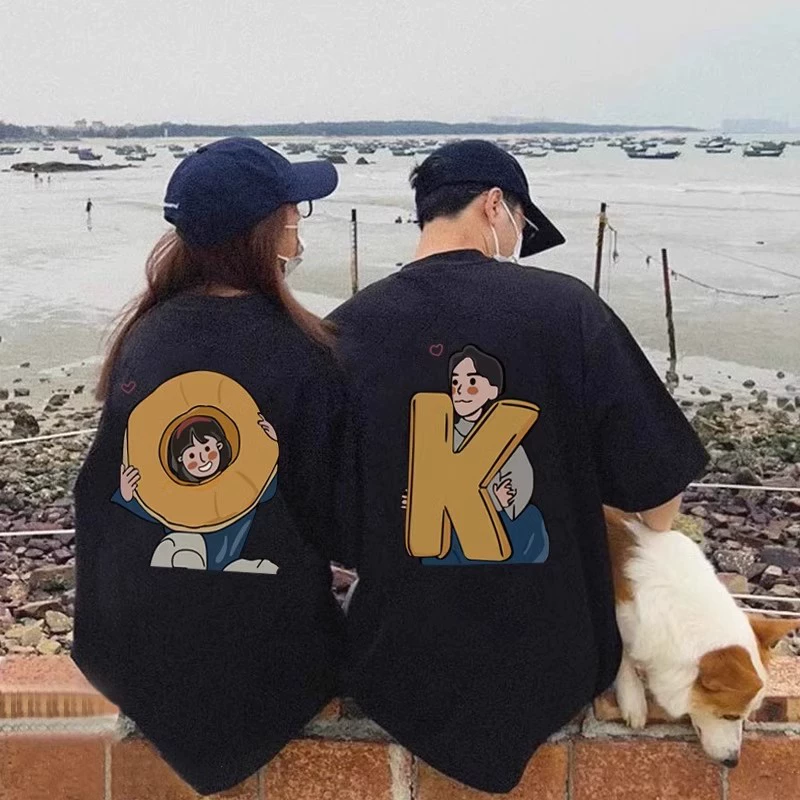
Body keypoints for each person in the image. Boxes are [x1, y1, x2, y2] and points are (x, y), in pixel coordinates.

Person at [328, 140, 709, 793]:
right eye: (522, 226)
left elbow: (329, 522)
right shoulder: (569, 309)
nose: (518, 241)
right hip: (559, 654)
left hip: (402, 659)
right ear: (494, 204)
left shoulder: (346, 330)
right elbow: (658, 488)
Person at [73, 137, 349, 795]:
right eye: (293, 210)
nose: (299, 222)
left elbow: (101, 498)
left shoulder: (143, 337)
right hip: (267, 661)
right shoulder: (302, 352)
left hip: (135, 648)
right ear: (264, 231)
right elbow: (337, 518)